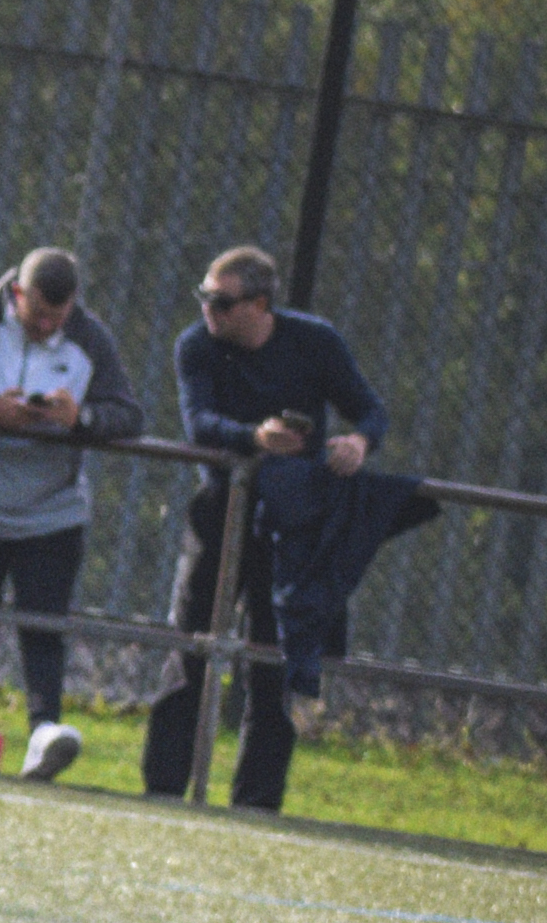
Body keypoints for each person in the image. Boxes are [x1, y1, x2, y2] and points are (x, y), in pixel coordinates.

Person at [141, 245, 388, 810]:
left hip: (290, 524)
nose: (209, 310)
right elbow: (199, 423)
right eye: (204, 297)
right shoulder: (197, 345)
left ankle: (256, 802)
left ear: (259, 303)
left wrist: (358, 441)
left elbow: (371, 409)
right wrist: (255, 438)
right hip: (220, 512)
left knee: (272, 662)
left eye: (222, 302)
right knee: (193, 647)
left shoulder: (315, 341)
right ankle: (162, 789)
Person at [0, 247, 144, 780]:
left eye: (55, 318)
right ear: (17, 292)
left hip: (51, 515)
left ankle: (44, 736)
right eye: (37, 313)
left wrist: (78, 417)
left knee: (43, 628)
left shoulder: (91, 337)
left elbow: (128, 415)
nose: (45, 326)